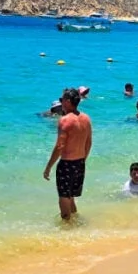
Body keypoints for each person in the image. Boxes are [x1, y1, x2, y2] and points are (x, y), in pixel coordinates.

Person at [42, 87, 93, 220]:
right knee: (71, 198)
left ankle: (67, 234)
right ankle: (77, 226)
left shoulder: (64, 120)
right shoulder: (86, 118)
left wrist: (48, 167)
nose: (60, 102)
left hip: (66, 164)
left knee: (64, 199)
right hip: (80, 163)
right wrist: (82, 159)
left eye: (62, 100)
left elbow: (60, 146)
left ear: (68, 101)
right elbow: (88, 143)